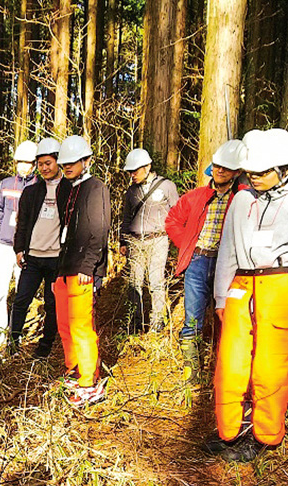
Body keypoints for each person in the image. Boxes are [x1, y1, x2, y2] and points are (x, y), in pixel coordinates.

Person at [205, 128, 288, 462]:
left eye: (263, 173)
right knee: (231, 362)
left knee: (270, 365)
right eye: (251, 173)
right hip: (241, 283)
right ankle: (229, 430)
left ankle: (266, 436)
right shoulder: (241, 199)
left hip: (280, 284)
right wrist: (221, 296)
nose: (255, 178)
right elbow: (226, 249)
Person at [165, 139, 247, 383]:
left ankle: (223, 372)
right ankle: (192, 376)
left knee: (226, 318)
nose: (220, 171)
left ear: (237, 172)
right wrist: (187, 245)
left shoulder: (241, 197)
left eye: (226, 168)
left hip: (229, 265)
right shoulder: (196, 196)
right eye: (217, 166)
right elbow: (172, 221)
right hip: (198, 261)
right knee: (193, 319)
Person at [53, 135, 110, 407]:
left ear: (86, 161)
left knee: (81, 327)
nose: (67, 167)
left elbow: (99, 229)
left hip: (82, 269)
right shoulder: (65, 188)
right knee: (64, 325)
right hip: (63, 265)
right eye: (64, 163)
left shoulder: (96, 188)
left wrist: (90, 265)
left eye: (72, 163)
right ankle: (73, 370)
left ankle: (89, 381)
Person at [10, 137, 70, 357]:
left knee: (52, 304)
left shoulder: (69, 190)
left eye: (49, 163)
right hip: (32, 258)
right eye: (41, 164)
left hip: (56, 259)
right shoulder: (31, 191)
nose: (44, 168)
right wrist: (19, 249)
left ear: (58, 162)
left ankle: (45, 347)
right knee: (21, 299)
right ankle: (13, 342)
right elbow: (22, 223)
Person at [119, 148, 179, 333]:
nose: (132, 175)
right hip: (136, 241)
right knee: (134, 282)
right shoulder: (131, 191)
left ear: (147, 167)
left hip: (158, 240)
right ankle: (135, 322)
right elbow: (126, 217)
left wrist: (176, 239)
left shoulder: (167, 186)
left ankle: (157, 322)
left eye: (135, 170)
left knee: (156, 281)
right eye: (130, 171)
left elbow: (177, 212)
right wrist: (123, 241)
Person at [0, 140, 38, 348]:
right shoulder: (6, 184)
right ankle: (1, 331)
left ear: (34, 164)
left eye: (28, 163)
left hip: (26, 249)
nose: (24, 167)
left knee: (21, 292)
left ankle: (15, 333)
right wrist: (3, 232)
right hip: (4, 245)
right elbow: (0, 210)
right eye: (20, 162)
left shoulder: (38, 186)